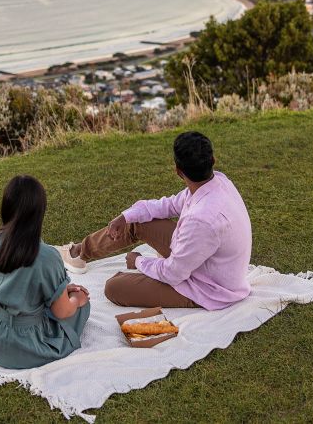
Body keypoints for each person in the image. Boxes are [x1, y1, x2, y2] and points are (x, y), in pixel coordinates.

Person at [56, 131, 252, 310]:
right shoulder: (218, 182)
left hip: (208, 287)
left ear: (178, 171)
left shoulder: (201, 219)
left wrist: (138, 262)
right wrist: (125, 216)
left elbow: (173, 274)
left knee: (114, 287)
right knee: (136, 219)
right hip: (200, 260)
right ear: (213, 161)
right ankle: (79, 252)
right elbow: (169, 205)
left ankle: (136, 278)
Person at [0, 175, 91, 369]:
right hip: (19, 345)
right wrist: (77, 300)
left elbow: (11, 283)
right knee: (81, 308)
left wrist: (61, 290)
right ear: (39, 213)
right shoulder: (47, 257)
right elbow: (62, 312)